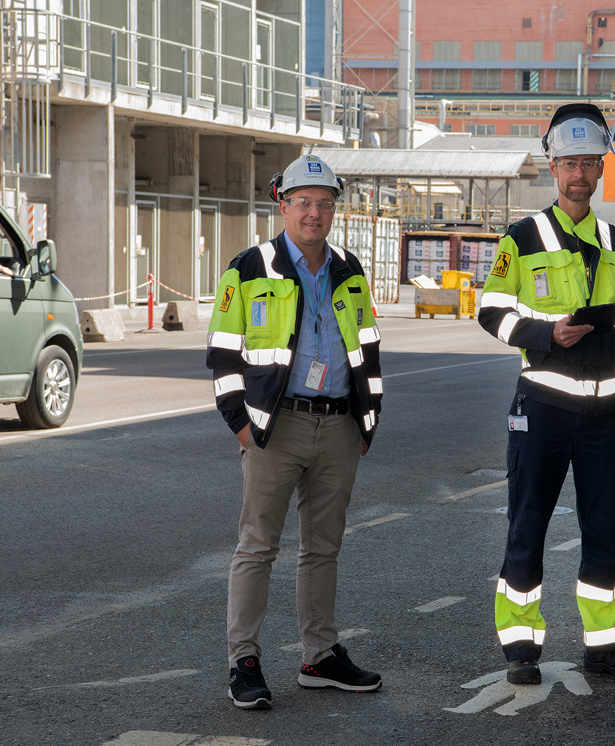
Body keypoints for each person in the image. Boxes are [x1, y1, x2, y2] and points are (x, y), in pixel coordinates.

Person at [478, 103, 615, 686]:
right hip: (544, 409)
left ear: (602, 167)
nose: (579, 173)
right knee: (528, 523)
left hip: (606, 416)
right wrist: (543, 334)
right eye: (569, 163)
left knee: (603, 530)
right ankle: (521, 647)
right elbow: (491, 311)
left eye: (589, 162)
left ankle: (603, 646)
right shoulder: (522, 239)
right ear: (552, 168)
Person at [206, 154, 383, 709]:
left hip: (338, 426)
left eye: (324, 204)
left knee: (323, 548)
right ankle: (244, 661)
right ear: (282, 205)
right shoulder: (250, 267)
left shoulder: (350, 269)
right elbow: (222, 354)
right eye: (303, 202)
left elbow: (369, 347)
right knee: (257, 548)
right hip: (273, 429)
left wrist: (367, 419)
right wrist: (241, 425)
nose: (314, 213)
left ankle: (319, 657)